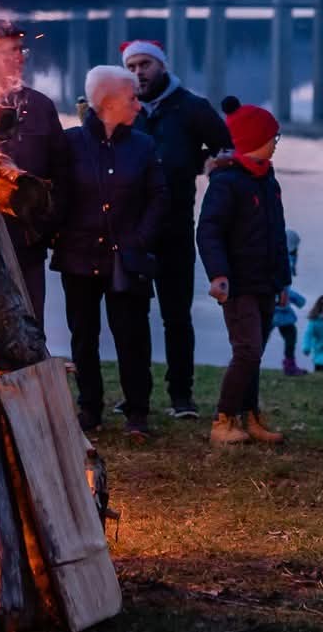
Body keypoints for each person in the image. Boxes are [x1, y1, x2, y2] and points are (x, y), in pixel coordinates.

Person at [52, 66, 166, 438]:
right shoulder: (69, 145)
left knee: (132, 336)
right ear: (110, 101)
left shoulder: (143, 146)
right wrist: (56, 233)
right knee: (83, 336)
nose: (139, 104)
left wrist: (141, 239)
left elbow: (158, 197)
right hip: (79, 256)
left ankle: (137, 412)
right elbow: (56, 195)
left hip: (128, 258)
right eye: (132, 97)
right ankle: (90, 408)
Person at [123, 39, 233, 419]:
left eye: (145, 65)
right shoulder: (126, 108)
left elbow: (226, 147)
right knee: (133, 317)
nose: (139, 73)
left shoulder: (192, 107)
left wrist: (196, 163)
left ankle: (181, 396)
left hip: (175, 229)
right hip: (134, 230)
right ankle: (135, 393)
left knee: (177, 316)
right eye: (133, 66)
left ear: (162, 66)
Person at [197, 98, 288, 445]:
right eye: (273, 137)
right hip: (237, 284)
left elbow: (277, 232)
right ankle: (222, 420)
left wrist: (283, 280)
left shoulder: (268, 180)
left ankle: (250, 418)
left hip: (266, 281)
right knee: (247, 350)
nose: (276, 143)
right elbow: (208, 231)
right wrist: (218, 274)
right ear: (254, 139)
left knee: (255, 352)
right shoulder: (227, 182)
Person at [0, 19, 64, 318]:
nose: (21, 56)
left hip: (26, 246)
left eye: (21, 49)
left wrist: (43, 227)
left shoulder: (39, 106)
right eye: (11, 51)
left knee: (30, 325)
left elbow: (60, 174)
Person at [274, 264, 308, 379]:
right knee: (290, 338)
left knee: (260, 340)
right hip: (282, 317)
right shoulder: (283, 286)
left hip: (271, 316)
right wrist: (300, 301)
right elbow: (298, 299)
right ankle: (289, 366)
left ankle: (244, 363)